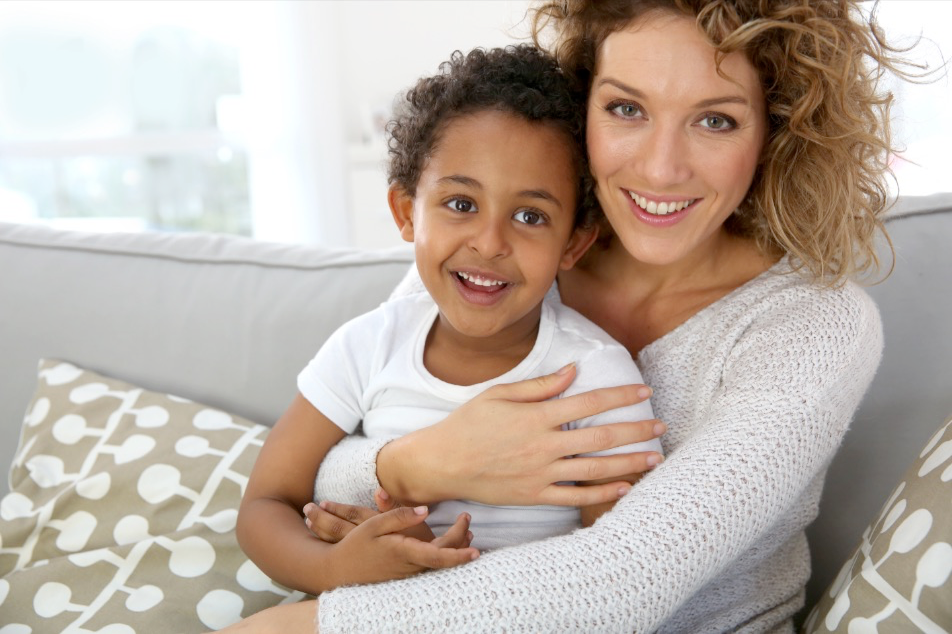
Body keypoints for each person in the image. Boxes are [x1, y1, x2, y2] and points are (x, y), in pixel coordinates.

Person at [223, 0, 914, 631]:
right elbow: (315, 473)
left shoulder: (813, 326)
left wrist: (307, 626)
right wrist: (415, 466)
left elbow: (622, 579)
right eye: (626, 108)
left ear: (778, 131)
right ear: (582, 110)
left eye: (715, 120)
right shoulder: (496, 262)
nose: (661, 168)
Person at [235, 44, 662, 597]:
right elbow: (265, 504)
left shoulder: (597, 380)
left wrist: (439, 586)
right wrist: (334, 568)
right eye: (461, 204)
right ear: (406, 213)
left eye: (530, 216)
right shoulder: (368, 346)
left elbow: (620, 580)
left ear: (573, 246)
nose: (489, 242)